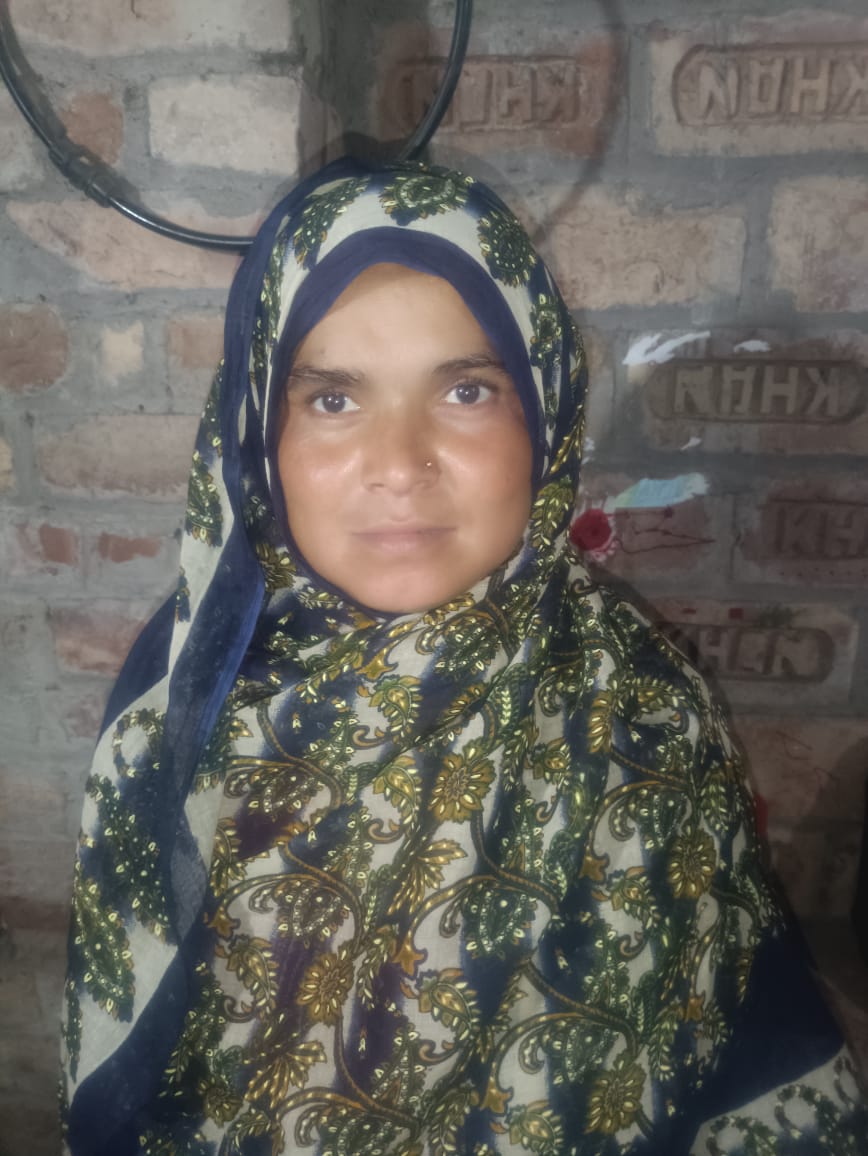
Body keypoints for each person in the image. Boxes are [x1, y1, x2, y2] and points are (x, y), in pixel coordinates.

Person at [60, 159, 867, 1155]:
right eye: (333, 400)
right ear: (257, 434)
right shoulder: (182, 709)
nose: (400, 464)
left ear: (545, 414)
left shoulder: (644, 713)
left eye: (467, 389)